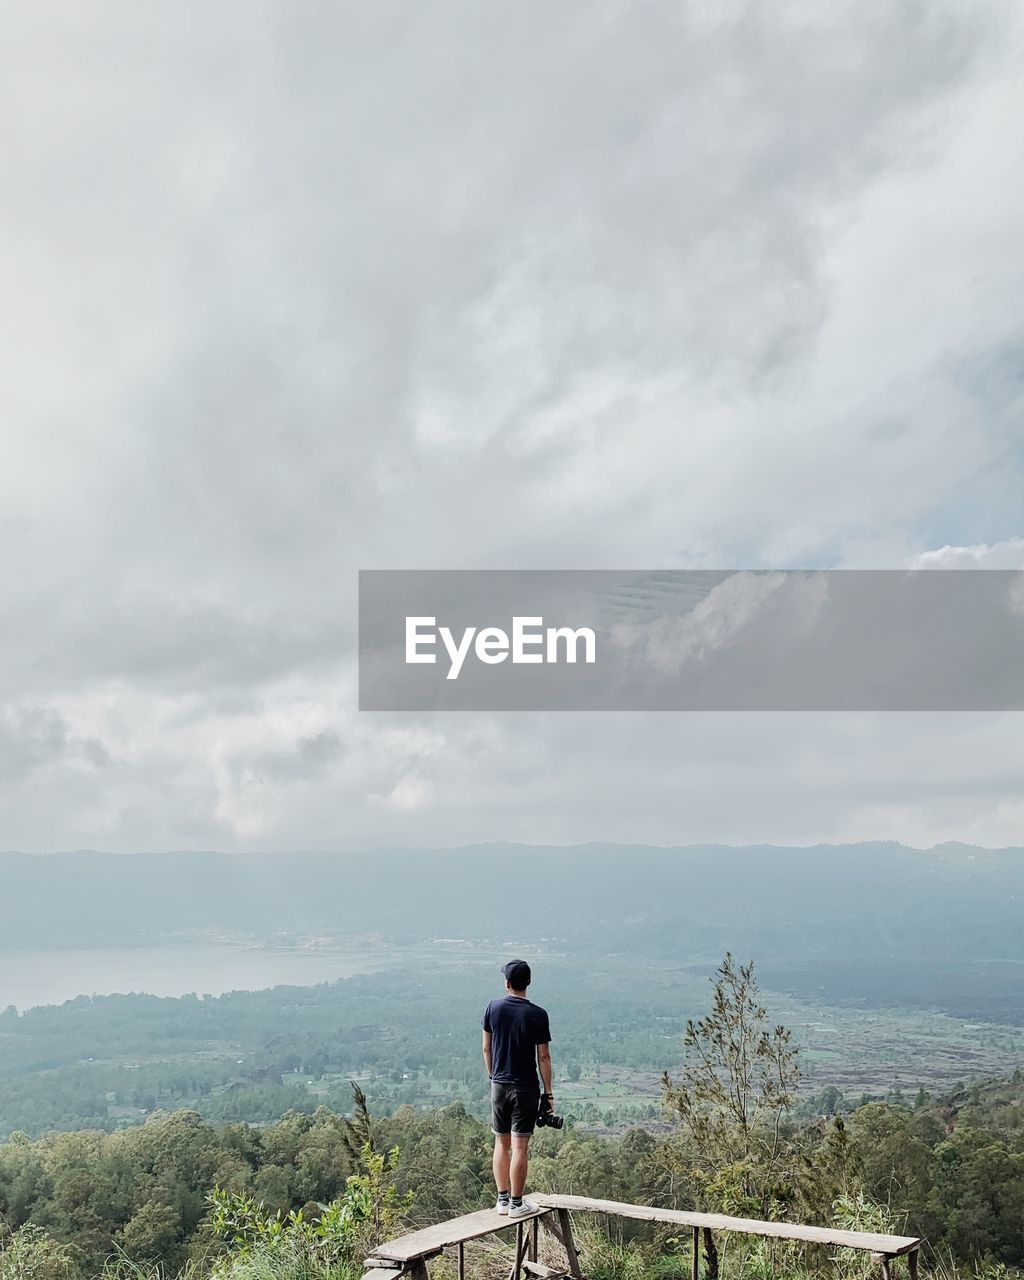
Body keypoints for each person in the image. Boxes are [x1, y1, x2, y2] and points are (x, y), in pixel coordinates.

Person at [481, 958, 553, 1218]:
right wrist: (548, 1093)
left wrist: (494, 1076)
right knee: (520, 1147)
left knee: (501, 1142)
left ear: (507, 983)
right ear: (528, 983)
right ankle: (516, 1203)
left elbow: (486, 1048)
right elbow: (543, 1057)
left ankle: (501, 1200)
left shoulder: (493, 1008)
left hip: (499, 1085)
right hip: (525, 1087)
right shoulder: (538, 1014)